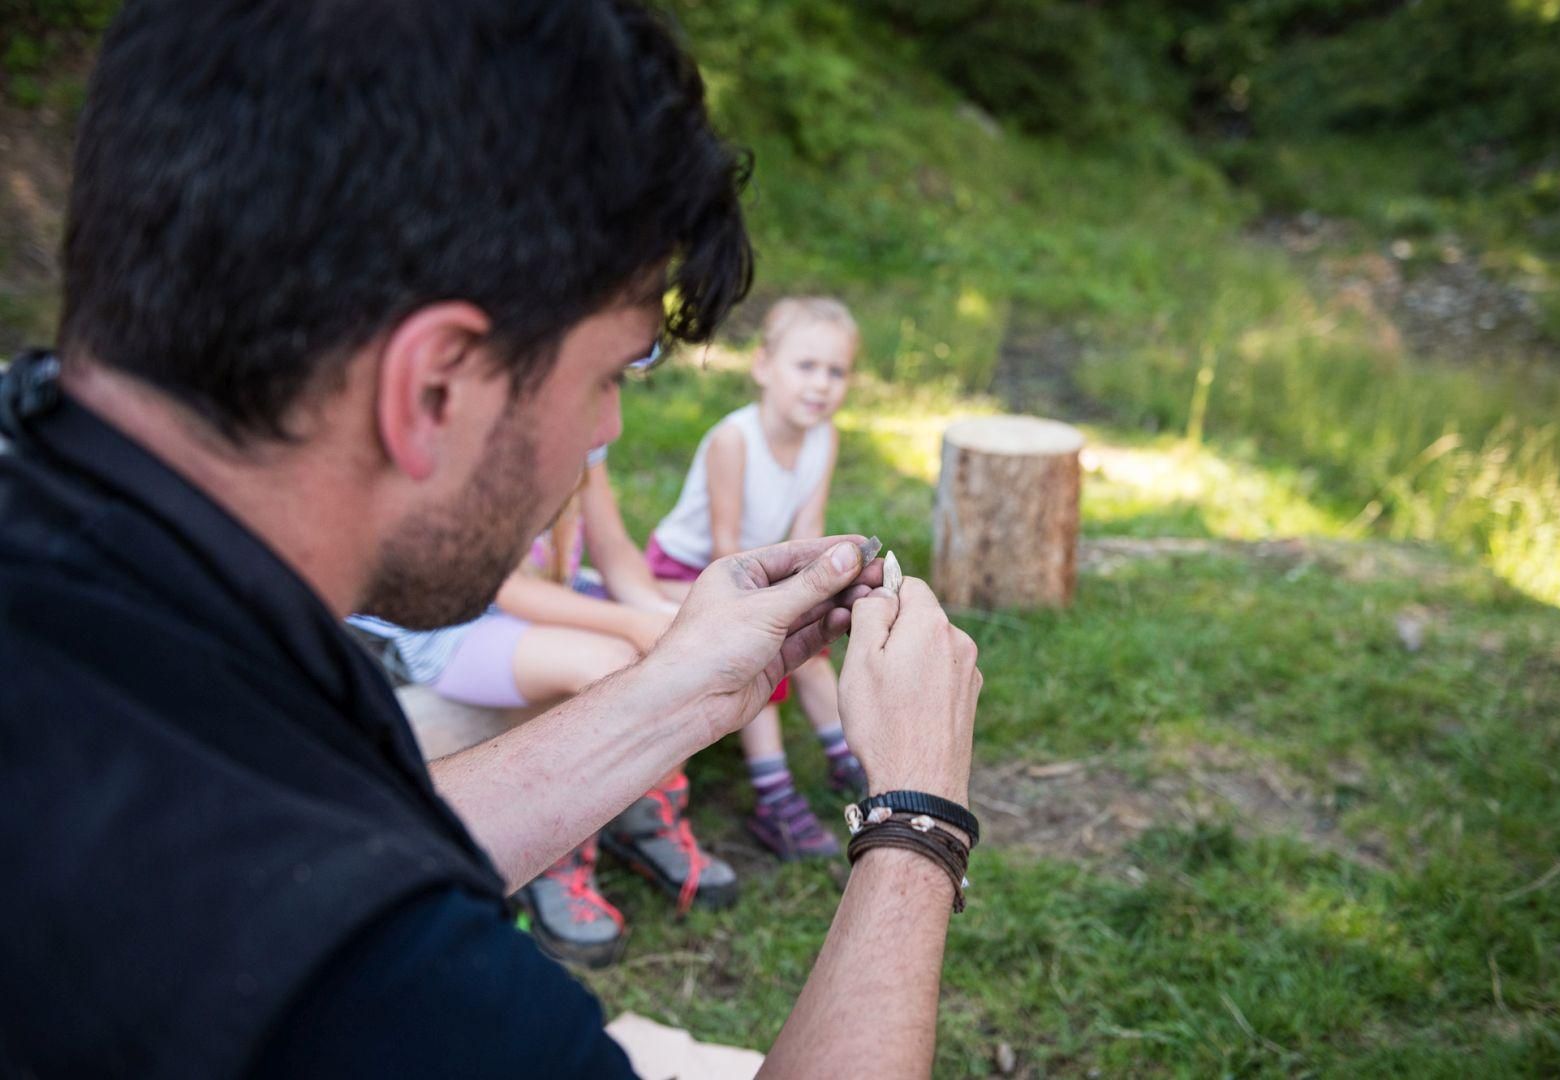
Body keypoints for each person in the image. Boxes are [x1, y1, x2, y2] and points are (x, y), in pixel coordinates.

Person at [0, 3, 982, 1078]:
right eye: (612, 370)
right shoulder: (376, 996)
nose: (608, 427)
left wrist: (688, 692)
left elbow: (348, 845)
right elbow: (331, 905)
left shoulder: (102, 543)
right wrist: (915, 827)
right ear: (436, 387)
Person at [351, 443, 737, 968]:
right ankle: (554, 851)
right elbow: (506, 590)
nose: (616, 420)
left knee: (668, 652)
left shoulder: (590, 425)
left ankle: (644, 817)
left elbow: (615, 548)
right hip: (460, 626)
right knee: (614, 666)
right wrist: (631, 624)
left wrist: (662, 616)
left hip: (559, 594)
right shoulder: (489, 437)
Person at [647, 297, 865, 859]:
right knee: (761, 654)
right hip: (690, 572)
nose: (821, 384)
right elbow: (725, 552)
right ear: (764, 366)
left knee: (815, 643)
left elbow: (809, 530)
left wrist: (818, 590)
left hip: (762, 569)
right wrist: (782, 607)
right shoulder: (734, 440)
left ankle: (849, 759)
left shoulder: (825, 439)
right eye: (806, 366)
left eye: (835, 371)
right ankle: (773, 797)